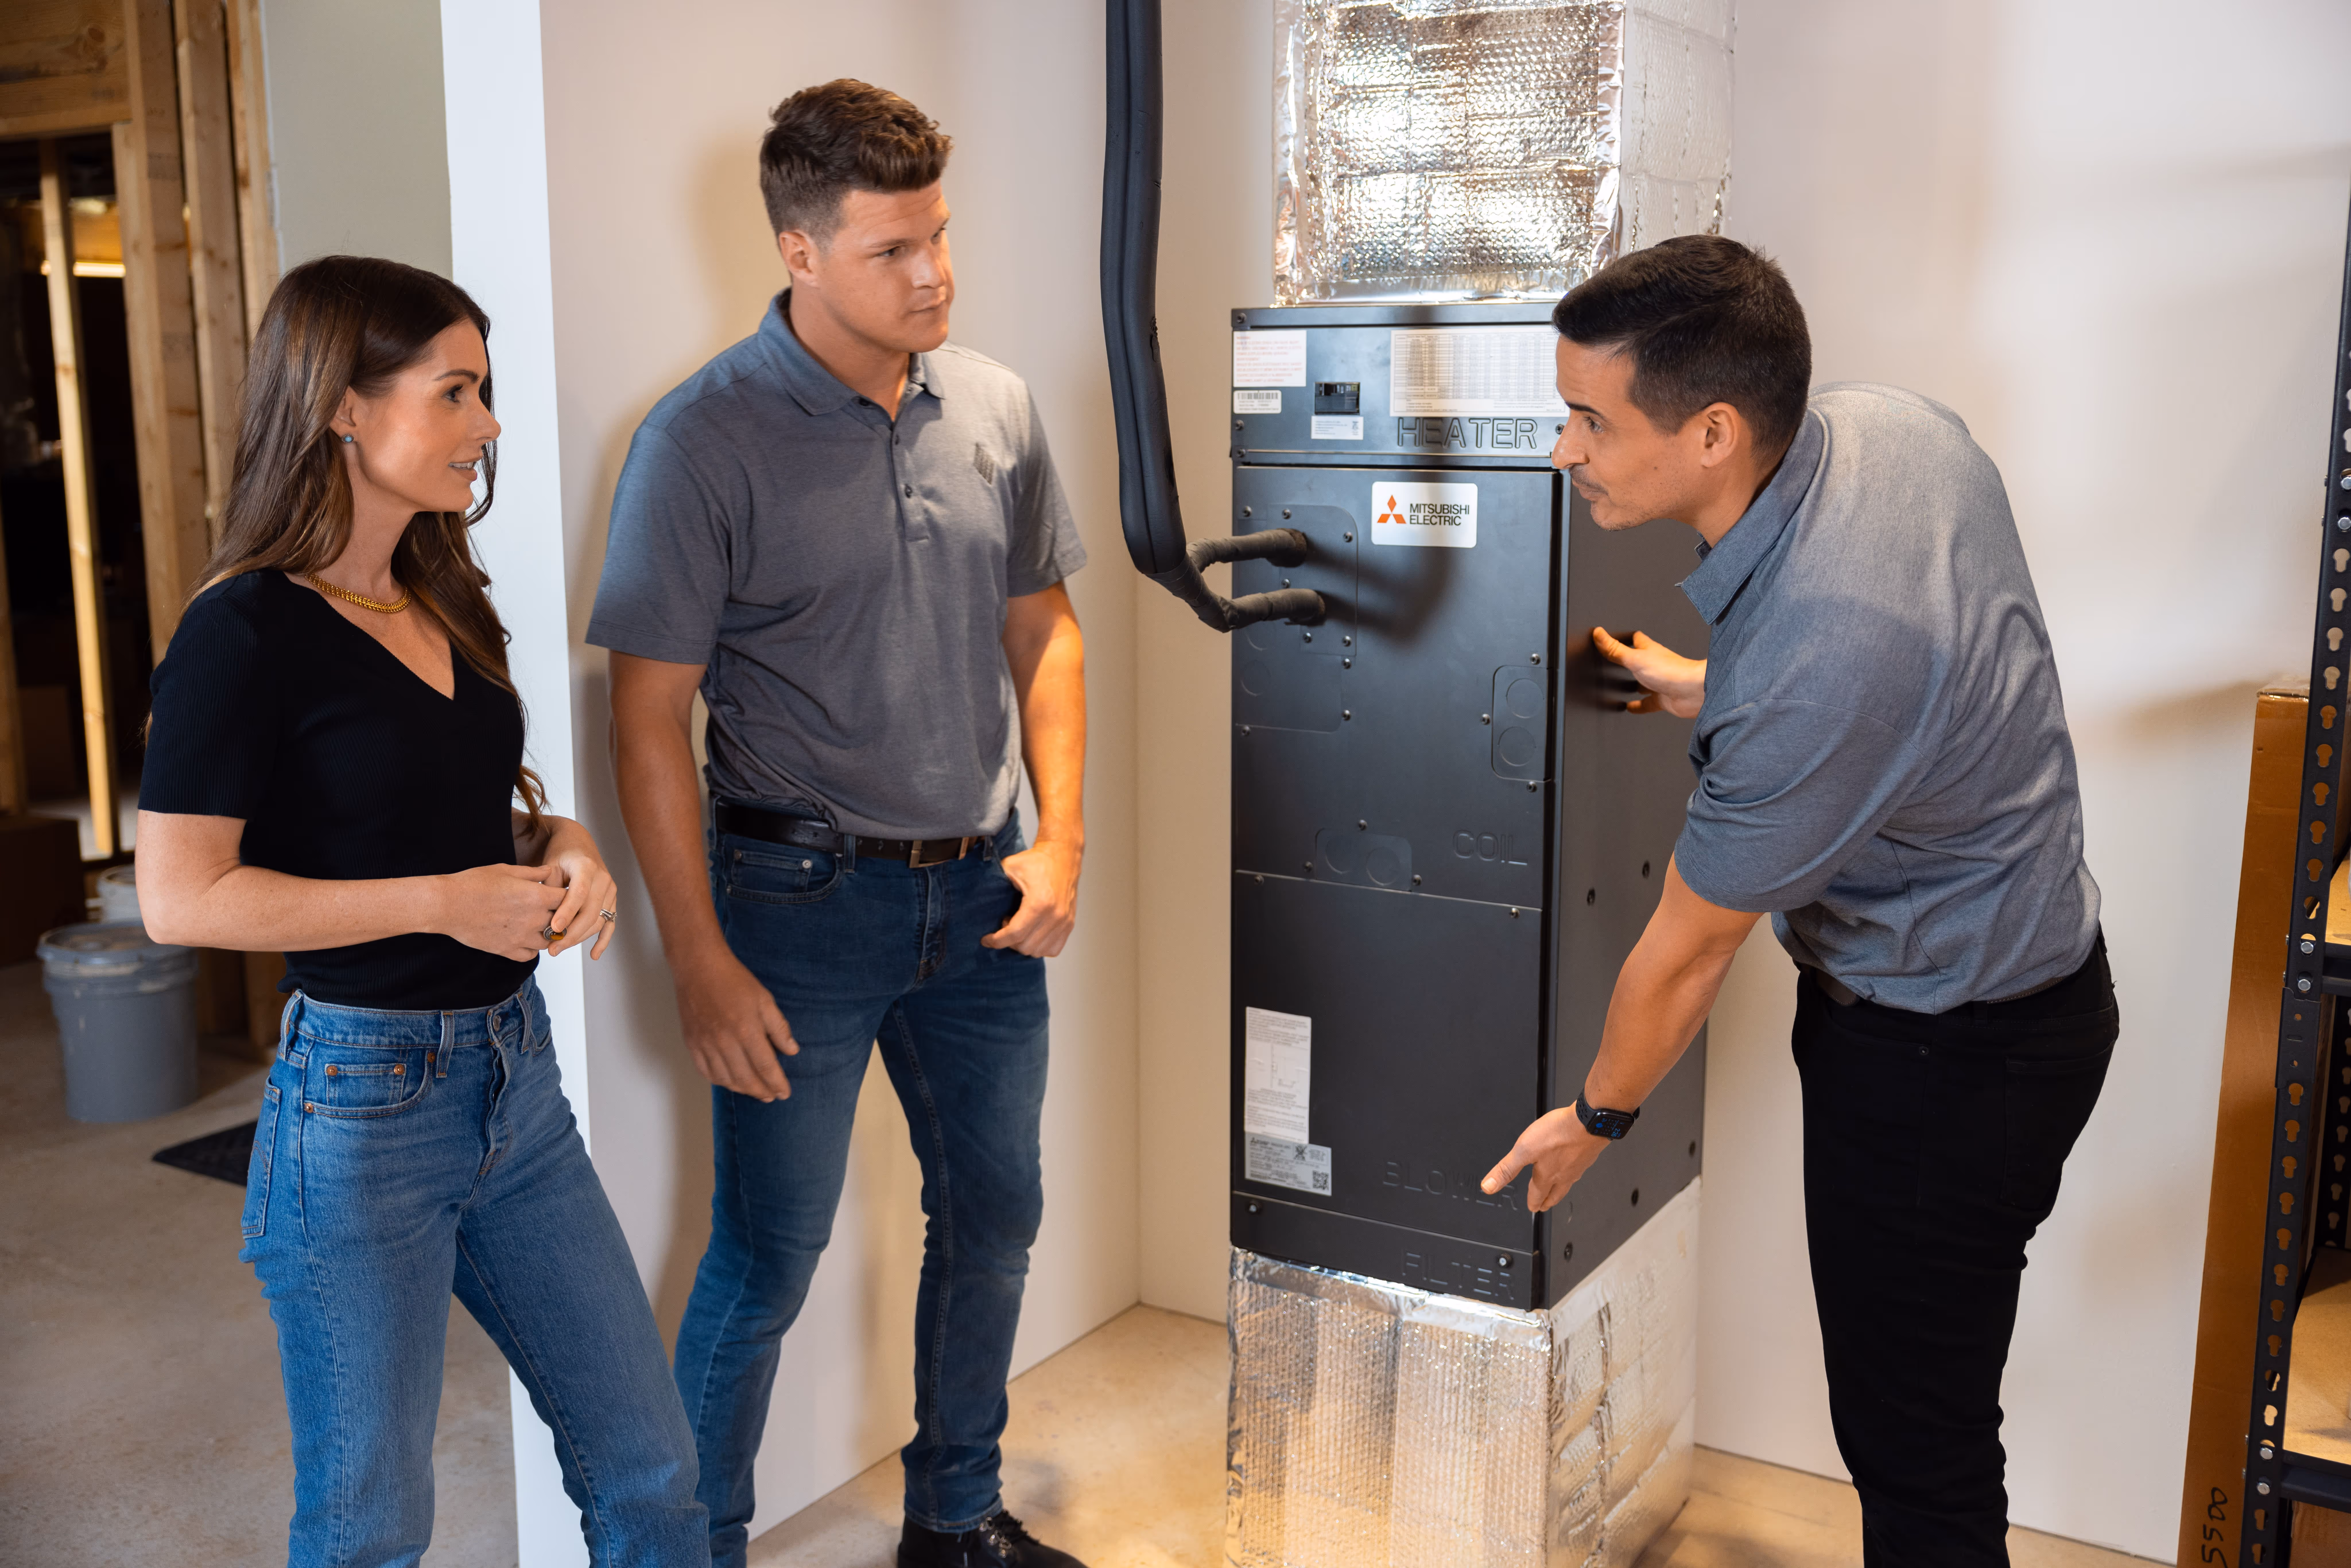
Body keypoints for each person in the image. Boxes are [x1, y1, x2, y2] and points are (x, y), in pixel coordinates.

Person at [1481, 235, 2115, 1564]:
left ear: (1713, 430)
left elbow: (1685, 950)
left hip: (1948, 1052)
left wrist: (1594, 1117)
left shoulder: (1820, 656)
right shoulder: (1896, 430)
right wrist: (1718, 690)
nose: (1564, 452)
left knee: (1915, 1446)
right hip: (2030, 994)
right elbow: (1919, 687)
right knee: (1925, 1417)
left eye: (1588, 422)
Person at [135, 257, 706, 1568]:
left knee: (649, 1467)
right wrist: (445, 904)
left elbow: (439, 809)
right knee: (369, 1525)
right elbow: (180, 898)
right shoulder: (243, 633)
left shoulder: (441, 590)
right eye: (455, 392)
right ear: (343, 406)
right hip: (356, 1110)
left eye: (484, 392)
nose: (489, 425)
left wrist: (556, 842)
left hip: (515, 1088)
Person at [591, 81, 1091, 1568]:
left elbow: (1046, 629)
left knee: (997, 1210)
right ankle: (693, 1551)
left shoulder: (993, 404)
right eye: (893, 250)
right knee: (768, 1256)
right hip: (796, 906)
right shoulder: (702, 442)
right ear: (801, 252)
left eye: (940, 235)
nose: (934, 273)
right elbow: (645, 717)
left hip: (987, 899)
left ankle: (953, 1516)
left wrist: (1062, 835)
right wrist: (696, 951)